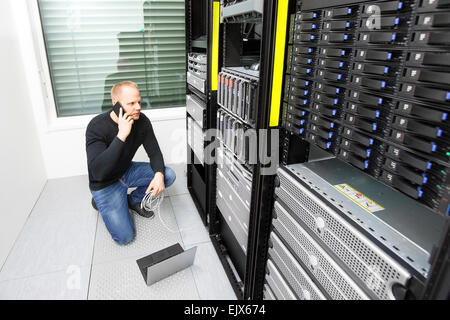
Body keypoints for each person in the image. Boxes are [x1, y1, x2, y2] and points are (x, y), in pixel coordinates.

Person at [85, 81, 176, 245]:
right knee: (124, 238)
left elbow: (154, 152)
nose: (138, 107)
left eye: (139, 101)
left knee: (167, 175)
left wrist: (158, 175)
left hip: (126, 171)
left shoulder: (142, 121)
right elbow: (98, 171)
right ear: (116, 103)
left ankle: (134, 200)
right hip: (105, 183)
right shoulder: (96, 126)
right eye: (131, 103)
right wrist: (121, 135)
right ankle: (100, 200)